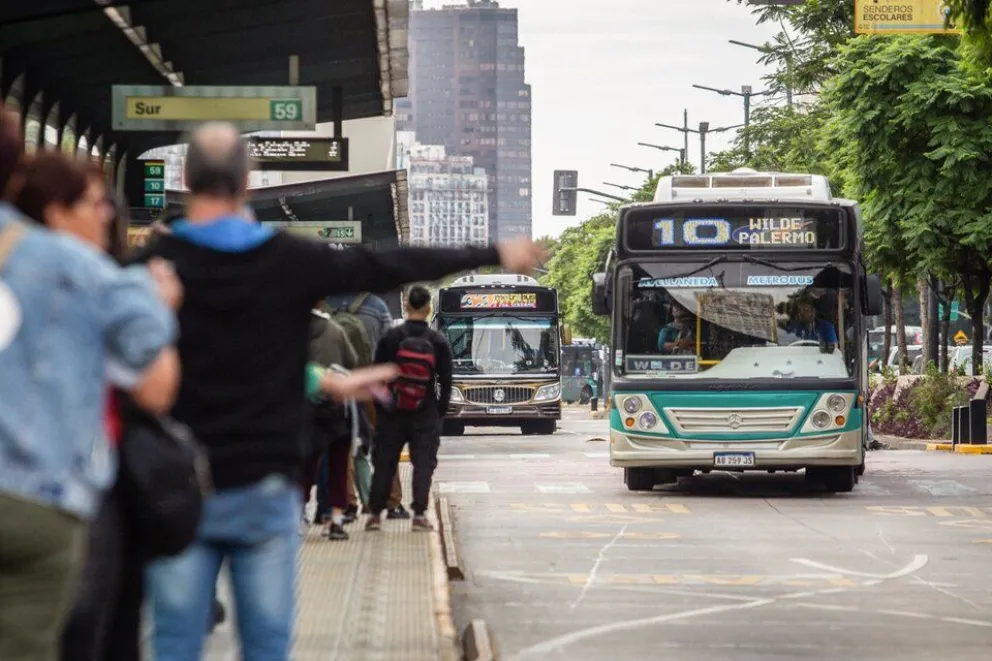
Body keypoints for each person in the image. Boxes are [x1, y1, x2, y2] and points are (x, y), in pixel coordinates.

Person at [140, 121, 543, 661]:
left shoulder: (152, 268)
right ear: (247, 180)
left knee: (173, 644)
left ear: (186, 178)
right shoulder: (289, 261)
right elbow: (386, 262)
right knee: (265, 645)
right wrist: (492, 250)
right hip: (264, 483)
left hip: (178, 487)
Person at [0, 109, 180, 661]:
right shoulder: (77, 268)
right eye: (92, 203)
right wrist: (162, 301)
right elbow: (152, 377)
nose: (105, 216)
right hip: (42, 493)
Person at [366, 286, 453, 532]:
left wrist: (382, 408)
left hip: (393, 412)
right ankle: (418, 516)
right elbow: (446, 382)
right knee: (422, 464)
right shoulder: (437, 341)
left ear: (406, 306)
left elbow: (377, 375)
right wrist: (439, 412)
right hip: (424, 413)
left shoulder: (392, 337)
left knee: (385, 463)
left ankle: (375, 515)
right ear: (428, 309)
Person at [323, 292, 409, 521]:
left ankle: (347, 504)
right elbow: (392, 344)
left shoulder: (326, 303)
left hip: (338, 385)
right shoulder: (376, 306)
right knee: (386, 440)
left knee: (344, 444)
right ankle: (392, 502)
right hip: (373, 384)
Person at [303, 305, 360, 540]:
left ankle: (297, 519)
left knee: (304, 468)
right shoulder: (336, 330)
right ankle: (336, 521)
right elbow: (352, 361)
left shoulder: (293, 331)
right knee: (338, 467)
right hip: (336, 409)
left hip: (306, 411)